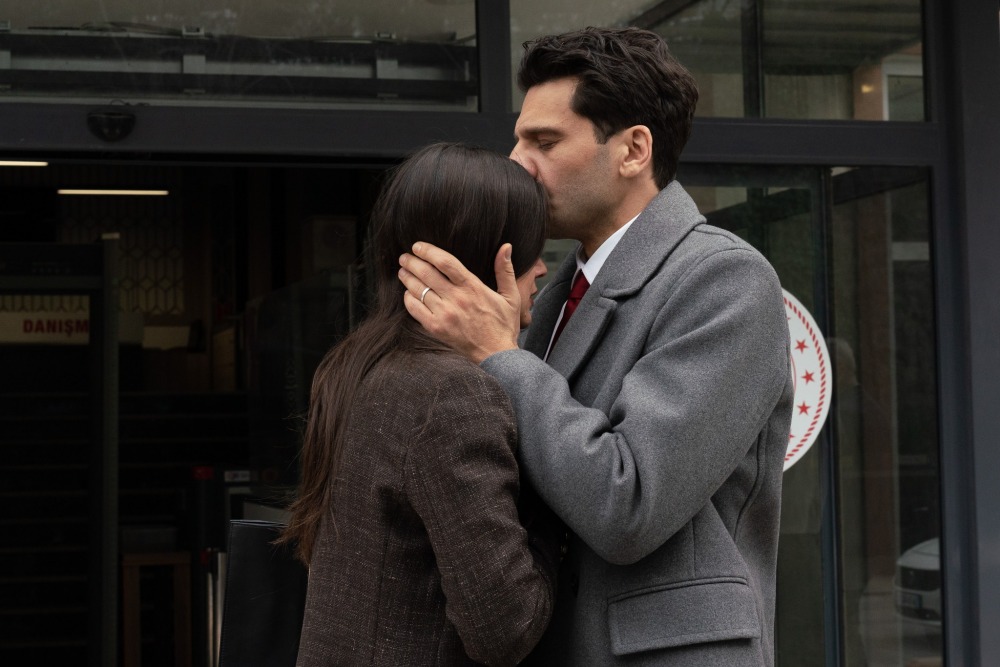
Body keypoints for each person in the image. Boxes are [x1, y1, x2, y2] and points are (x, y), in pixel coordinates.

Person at [397, 27, 794, 666]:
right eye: (519, 139)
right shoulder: (558, 288)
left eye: (545, 142)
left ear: (633, 150)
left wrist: (500, 355)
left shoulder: (724, 280)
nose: (517, 162)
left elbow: (628, 505)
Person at [279, 142, 560, 666]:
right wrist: (556, 505)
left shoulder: (357, 364)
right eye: (529, 249)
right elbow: (506, 630)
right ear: (487, 258)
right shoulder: (451, 393)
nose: (542, 268)